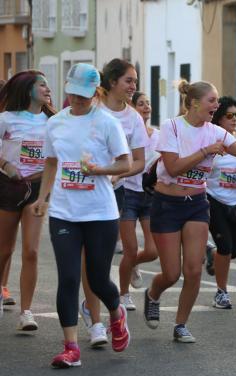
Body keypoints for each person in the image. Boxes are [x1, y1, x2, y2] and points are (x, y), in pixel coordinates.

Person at [143, 80, 236, 343]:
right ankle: (153, 295)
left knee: (194, 269)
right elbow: (174, 168)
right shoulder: (172, 127)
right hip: (167, 204)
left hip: (197, 203)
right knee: (171, 273)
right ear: (195, 103)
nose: (218, 105)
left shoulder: (216, 131)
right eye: (212, 100)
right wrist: (205, 151)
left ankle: (181, 324)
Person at [31, 63, 131, 368]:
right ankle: (71, 347)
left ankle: (116, 312)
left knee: (99, 280)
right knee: (69, 278)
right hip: (64, 212)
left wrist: (99, 169)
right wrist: (43, 198)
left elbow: (125, 164)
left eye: (84, 96)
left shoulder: (106, 123)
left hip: (100, 212)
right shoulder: (56, 123)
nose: (77, 99)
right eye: (73, 93)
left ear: (96, 93)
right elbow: (51, 162)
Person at [79, 59, 148, 346]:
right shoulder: (91, 111)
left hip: (113, 192)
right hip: (81, 188)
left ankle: (98, 308)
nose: (133, 86)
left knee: (101, 259)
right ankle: (96, 323)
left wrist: (114, 175)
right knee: (86, 258)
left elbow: (140, 162)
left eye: (134, 81)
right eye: (128, 81)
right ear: (111, 83)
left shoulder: (133, 118)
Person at [0, 71, 55, 327]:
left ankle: (26, 312)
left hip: (37, 190)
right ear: (27, 89)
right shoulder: (6, 119)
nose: (47, 88)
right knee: (5, 250)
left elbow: (61, 156)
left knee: (31, 251)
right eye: (41, 84)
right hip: (8, 188)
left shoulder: (53, 121)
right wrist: (5, 165)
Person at [206, 96, 236, 309]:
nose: (234, 120)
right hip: (215, 199)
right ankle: (221, 293)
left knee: (232, 251)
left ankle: (212, 255)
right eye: (229, 116)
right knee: (225, 247)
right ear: (219, 119)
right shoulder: (212, 143)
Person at [116, 91, 160, 303]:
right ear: (132, 108)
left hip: (150, 197)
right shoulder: (126, 133)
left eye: (148, 103)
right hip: (128, 193)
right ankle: (123, 294)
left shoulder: (158, 135)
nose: (146, 107)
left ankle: (132, 263)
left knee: (152, 251)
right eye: (141, 103)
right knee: (131, 248)